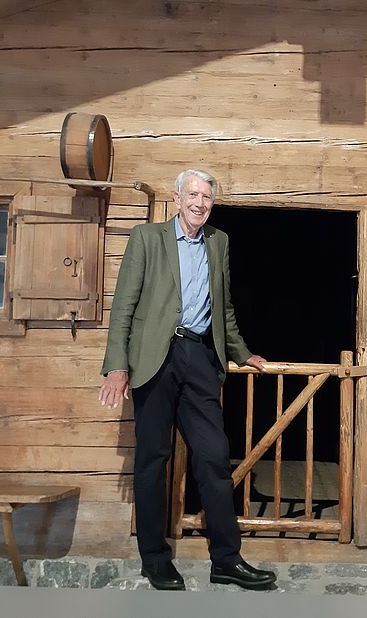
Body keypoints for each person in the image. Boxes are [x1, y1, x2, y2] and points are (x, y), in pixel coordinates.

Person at [98, 169, 276, 591]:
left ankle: (226, 560)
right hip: (155, 358)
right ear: (176, 198)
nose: (200, 203)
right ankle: (155, 559)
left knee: (214, 456)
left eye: (207, 197)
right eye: (193, 195)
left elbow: (223, 306)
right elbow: (123, 306)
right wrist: (118, 366)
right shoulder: (147, 239)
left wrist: (241, 351)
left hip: (198, 355)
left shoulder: (219, 241)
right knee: (152, 460)